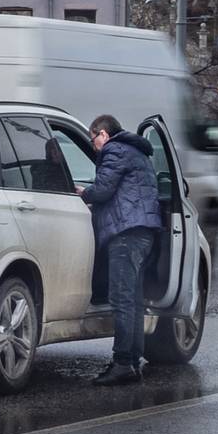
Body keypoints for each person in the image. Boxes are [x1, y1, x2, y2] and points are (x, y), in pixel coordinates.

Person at [79, 114, 164, 385]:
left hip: (126, 234)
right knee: (133, 300)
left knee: (122, 299)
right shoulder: (136, 152)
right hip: (142, 233)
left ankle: (123, 363)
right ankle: (133, 360)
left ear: (103, 134)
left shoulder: (115, 149)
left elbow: (103, 189)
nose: (94, 146)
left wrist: (83, 193)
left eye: (93, 140)